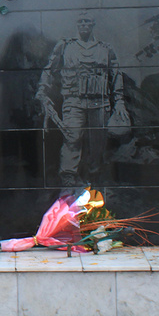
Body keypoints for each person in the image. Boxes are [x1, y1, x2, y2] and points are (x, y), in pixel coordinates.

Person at [37, 12, 129, 186]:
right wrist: (42, 90)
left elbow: (115, 75)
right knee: (72, 140)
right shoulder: (65, 46)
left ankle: (94, 180)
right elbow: (49, 69)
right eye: (81, 21)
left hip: (100, 103)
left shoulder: (105, 48)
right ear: (76, 24)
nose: (84, 25)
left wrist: (120, 101)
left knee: (98, 145)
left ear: (93, 24)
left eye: (88, 21)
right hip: (73, 102)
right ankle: (68, 182)